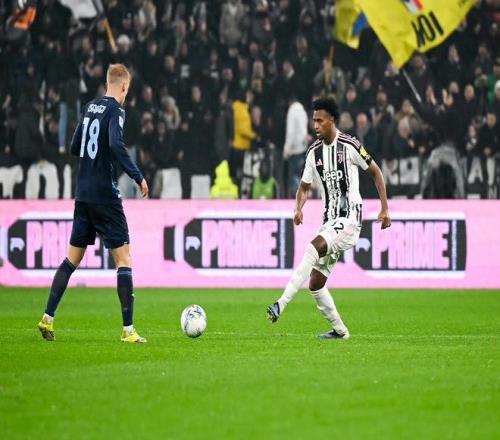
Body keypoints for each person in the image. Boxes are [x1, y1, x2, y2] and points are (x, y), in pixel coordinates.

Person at [37, 64, 149, 343]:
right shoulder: (116, 111)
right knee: (123, 259)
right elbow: (116, 144)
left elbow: (75, 147)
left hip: (83, 194)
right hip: (105, 195)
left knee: (71, 259)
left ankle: (47, 318)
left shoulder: (89, 107)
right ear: (124, 86)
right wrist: (137, 176)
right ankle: (128, 330)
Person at [266, 97, 391, 339]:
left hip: (350, 220)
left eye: (320, 120)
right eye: (313, 120)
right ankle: (340, 331)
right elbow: (304, 187)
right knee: (315, 283)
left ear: (332, 120)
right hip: (330, 223)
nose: (315, 125)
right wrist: (298, 208)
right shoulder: (313, 153)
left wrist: (385, 208)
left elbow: (376, 172)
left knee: (312, 248)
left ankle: (281, 303)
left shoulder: (350, 145)